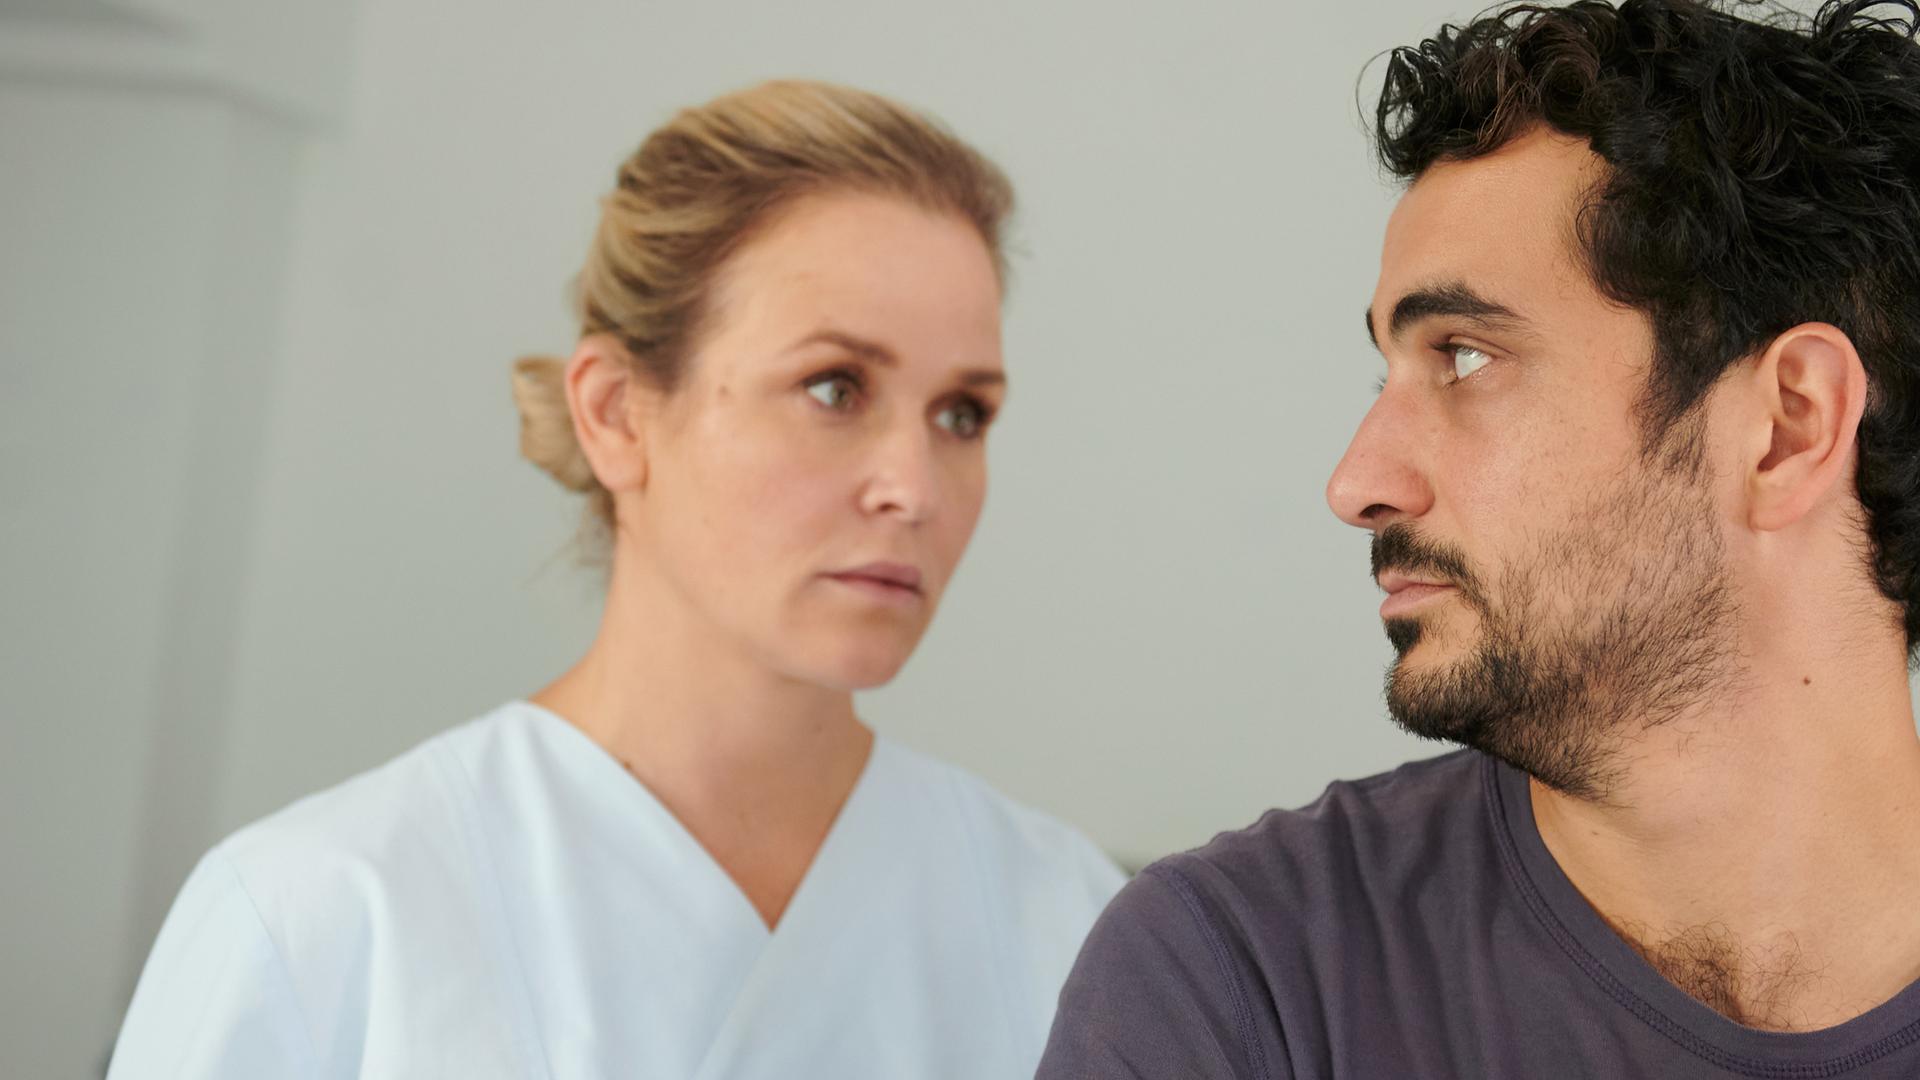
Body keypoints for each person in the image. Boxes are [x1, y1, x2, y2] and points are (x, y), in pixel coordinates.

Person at [108, 80, 1122, 1079]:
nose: (914, 488)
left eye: (962, 415)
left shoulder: (1063, 919)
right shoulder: (321, 914)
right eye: (833, 388)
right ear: (616, 414)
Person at [1037, 1, 1920, 1075]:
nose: (1357, 483)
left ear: (1788, 427)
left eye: (1463, 357)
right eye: (1389, 369)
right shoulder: (1242, 984)